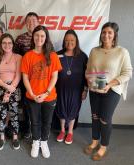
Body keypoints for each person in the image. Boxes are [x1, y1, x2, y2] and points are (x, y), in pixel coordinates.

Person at [84, 22, 133, 161]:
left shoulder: (122, 52)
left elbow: (127, 73)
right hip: (95, 89)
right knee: (94, 116)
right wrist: (89, 81)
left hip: (111, 90)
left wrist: (110, 84)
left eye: (109, 32)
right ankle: (94, 141)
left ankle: (103, 146)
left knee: (105, 119)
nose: (106, 35)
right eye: (104, 32)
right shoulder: (94, 51)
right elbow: (88, 70)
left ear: (114, 35)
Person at [21, 25, 62, 158]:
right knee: (35, 121)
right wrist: (32, 94)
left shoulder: (52, 55)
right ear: (33, 37)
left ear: (46, 38)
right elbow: (25, 77)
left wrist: (46, 93)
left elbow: (55, 76)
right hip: (32, 96)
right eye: (37, 35)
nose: (39, 38)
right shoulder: (27, 55)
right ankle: (35, 141)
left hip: (49, 97)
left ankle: (44, 142)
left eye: (42, 36)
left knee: (47, 121)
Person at [55, 30, 88, 144]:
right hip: (61, 88)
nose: (69, 42)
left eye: (72, 40)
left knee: (73, 109)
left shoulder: (83, 56)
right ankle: (62, 130)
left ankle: (70, 132)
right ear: (64, 41)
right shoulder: (57, 55)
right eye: (67, 40)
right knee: (62, 107)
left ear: (76, 41)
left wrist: (85, 90)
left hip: (76, 90)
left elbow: (86, 75)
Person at [0, 33, 22, 150]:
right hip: (0, 89)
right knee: (2, 114)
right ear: (0, 44)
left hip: (14, 88)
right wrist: (5, 88)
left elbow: (18, 76)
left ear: (13, 44)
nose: (7, 45)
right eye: (4, 43)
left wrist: (9, 92)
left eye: (9, 43)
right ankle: (2, 137)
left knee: (14, 114)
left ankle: (15, 137)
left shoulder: (18, 57)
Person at [14, 12, 39, 139]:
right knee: (25, 103)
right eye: (28, 21)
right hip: (24, 78)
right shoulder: (19, 39)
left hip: (39, 79)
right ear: (25, 24)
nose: (31, 23)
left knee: (37, 103)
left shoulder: (43, 37)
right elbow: (16, 59)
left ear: (38, 22)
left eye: (34, 21)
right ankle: (27, 128)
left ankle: (37, 128)